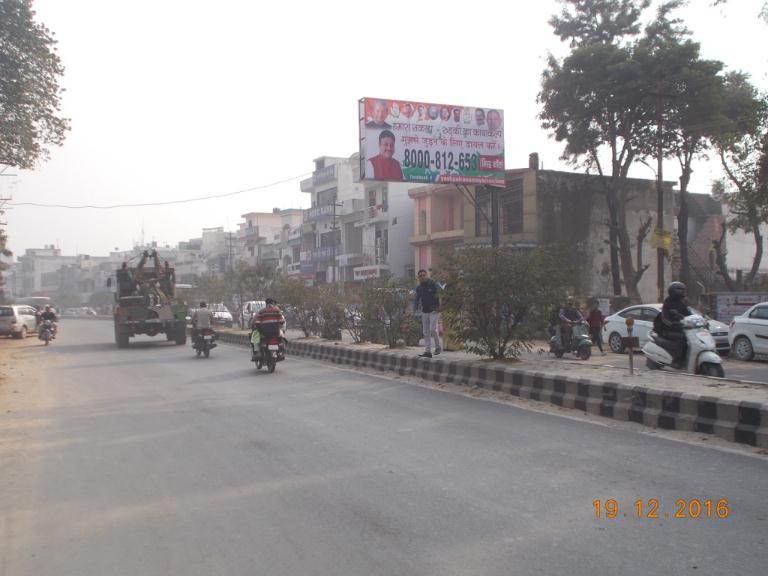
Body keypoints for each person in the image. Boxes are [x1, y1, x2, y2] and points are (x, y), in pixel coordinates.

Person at [654, 281, 693, 368]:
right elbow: (665, 318)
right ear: (673, 291)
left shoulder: (682, 302)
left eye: (683, 290)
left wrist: (698, 319)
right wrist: (673, 324)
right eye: (680, 290)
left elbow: (689, 314)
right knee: (682, 338)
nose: (683, 292)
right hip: (667, 329)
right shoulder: (668, 302)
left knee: (691, 337)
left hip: (679, 328)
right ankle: (677, 360)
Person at [414, 269, 441, 358]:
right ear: (418, 278)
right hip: (425, 311)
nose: (422, 277)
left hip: (434, 310)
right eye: (420, 276)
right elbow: (416, 299)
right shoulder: (419, 288)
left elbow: (441, 293)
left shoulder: (433, 284)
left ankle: (438, 347)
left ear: (427, 275)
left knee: (432, 329)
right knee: (425, 332)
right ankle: (428, 351)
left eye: (423, 275)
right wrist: (414, 309)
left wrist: (440, 305)